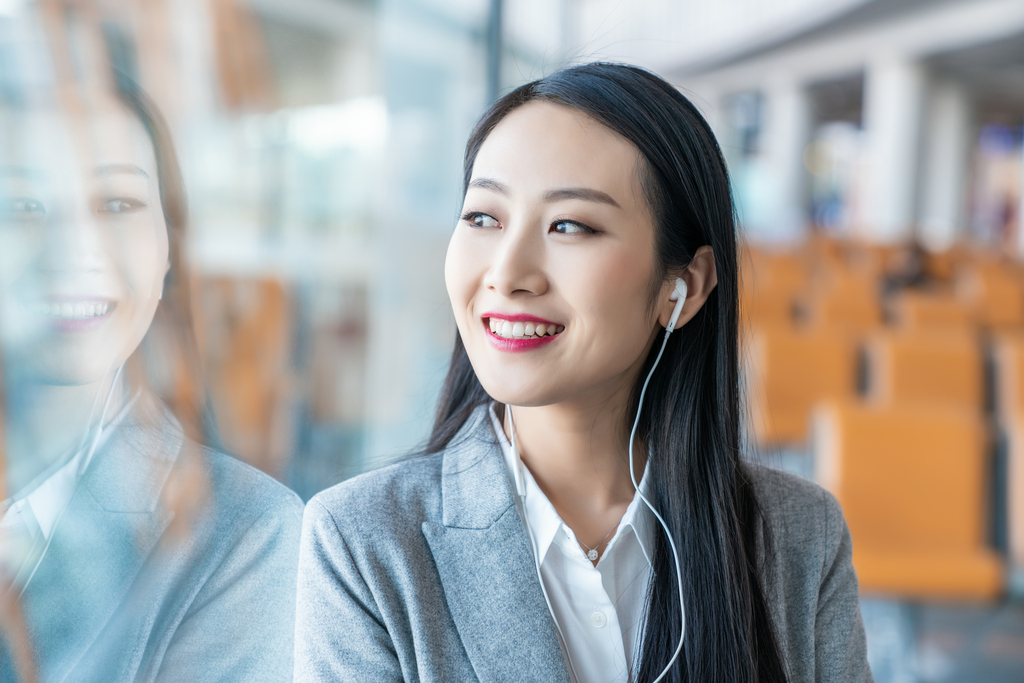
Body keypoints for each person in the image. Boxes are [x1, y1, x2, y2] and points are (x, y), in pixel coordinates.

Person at [295, 63, 871, 683]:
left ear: (684, 286)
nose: (508, 272)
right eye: (484, 217)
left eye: (570, 225)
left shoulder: (798, 536)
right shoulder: (363, 542)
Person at [0, 22, 302, 683]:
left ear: (170, 243)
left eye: (117, 202)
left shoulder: (242, 532)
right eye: (21, 203)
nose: (74, 253)